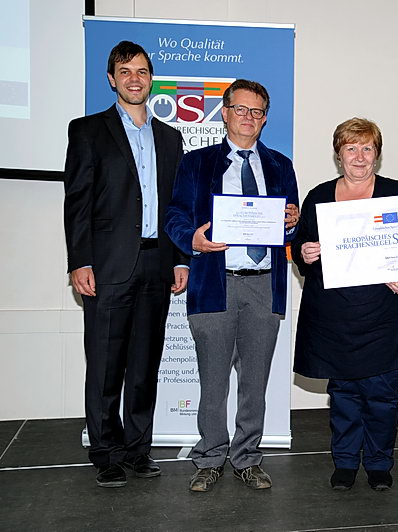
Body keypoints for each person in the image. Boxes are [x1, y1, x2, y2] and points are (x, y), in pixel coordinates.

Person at [63, 41, 189, 488]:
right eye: (125, 71)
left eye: (142, 71)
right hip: (107, 265)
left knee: (143, 365)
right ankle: (106, 453)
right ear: (112, 79)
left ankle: (137, 450)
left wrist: (181, 260)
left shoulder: (170, 138)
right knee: (104, 366)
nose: (134, 79)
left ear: (151, 79)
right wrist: (80, 261)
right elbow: (77, 202)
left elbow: (177, 205)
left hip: (157, 264)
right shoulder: (88, 131)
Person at [165, 79, 300, 493]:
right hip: (214, 283)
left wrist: (292, 224)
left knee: (254, 382)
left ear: (265, 118)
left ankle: (247, 458)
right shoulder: (197, 163)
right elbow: (175, 215)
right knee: (213, 382)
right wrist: (192, 240)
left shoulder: (280, 165)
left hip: (263, 285)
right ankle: (209, 458)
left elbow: (290, 227)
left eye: (257, 111)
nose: (248, 117)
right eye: (240, 109)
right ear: (224, 113)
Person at [292, 118, 398, 491]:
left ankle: (380, 464)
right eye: (351, 148)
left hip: (385, 315)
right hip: (335, 317)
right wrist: (304, 252)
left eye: (367, 148)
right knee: (344, 396)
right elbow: (301, 245)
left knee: (383, 396)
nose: (360, 156)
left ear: (377, 154)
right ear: (339, 154)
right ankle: (346, 462)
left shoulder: (397, 193)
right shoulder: (319, 196)